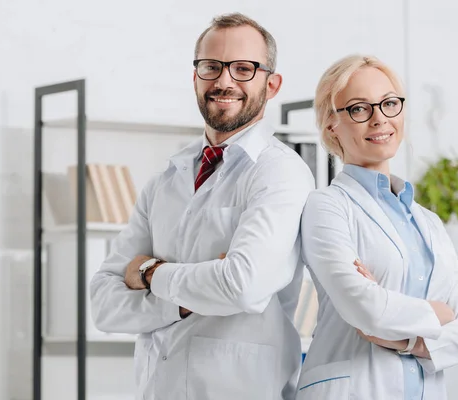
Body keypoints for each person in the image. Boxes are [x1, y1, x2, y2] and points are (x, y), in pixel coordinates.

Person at [90, 12, 315, 400]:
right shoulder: (166, 178)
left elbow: (241, 286)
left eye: (244, 68)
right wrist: (185, 303)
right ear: (195, 77)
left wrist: (148, 272)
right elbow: (104, 304)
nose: (224, 81)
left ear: (272, 84)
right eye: (212, 67)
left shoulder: (280, 173)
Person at [296, 54, 458, 399]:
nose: (379, 119)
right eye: (358, 109)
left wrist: (408, 340)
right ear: (331, 125)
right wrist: (439, 313)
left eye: (389, 104)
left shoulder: (428, 222)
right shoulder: (326, 206)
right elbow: (365, 309)